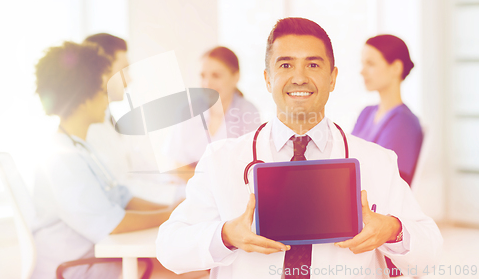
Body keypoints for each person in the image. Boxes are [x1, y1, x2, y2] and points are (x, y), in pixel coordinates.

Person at [156, 18, 442, 279]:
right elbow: (169, 248)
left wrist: (391, 230)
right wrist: (226, 235)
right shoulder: (222, 160)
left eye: (313, 65)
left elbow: (430, 255)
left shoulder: (378, 162)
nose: (300, 77)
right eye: (285, 65)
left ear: (332, 78)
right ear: (267, 79)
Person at [31, 41, 179, 279]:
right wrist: (170, 214)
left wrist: (174, 209)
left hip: (97, 260)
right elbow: (112, 224)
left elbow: (122, 197)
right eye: (102, 91)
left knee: (192, 265)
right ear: (83, 96)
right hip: (77, 269)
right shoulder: (61, 160)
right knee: (192, 271)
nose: (106, 99)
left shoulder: (78, 147)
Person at [84, 33, 180, 204]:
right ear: (103, 70)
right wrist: (176, 195)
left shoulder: (110, 120)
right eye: (124, 70)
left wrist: (173, 186)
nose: (129, 79)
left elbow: (137, 169)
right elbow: (121, 188)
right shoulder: (89, 129)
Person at [166, 46, 261, 181]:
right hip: (189, 193)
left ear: (236, 77)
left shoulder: (249, 113)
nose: (207, 83)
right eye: (203, 76)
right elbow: (177, 166)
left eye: (216, 76)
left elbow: (247, 169)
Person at [352, 35, 423, 185]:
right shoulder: (366, 113)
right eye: (362, 64)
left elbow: (394, 182)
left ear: (396, 68)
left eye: (370, 64)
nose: (362, 71)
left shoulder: (403, 122)